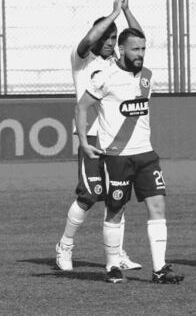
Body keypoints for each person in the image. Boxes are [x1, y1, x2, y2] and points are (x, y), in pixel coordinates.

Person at [75, 28, 184, 284]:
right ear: (122, 50)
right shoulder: (105, 77)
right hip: (117, 156)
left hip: (146, 154)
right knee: (115, 209)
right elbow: (81, 107)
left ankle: (160, 269)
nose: (141, 54)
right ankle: (113, 265)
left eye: (144, 49)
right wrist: (83, 141)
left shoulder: (147, 76)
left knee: (158, 206)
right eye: (135, 49)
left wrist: (127, 9)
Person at [56, 0, 142, 272]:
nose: (109, 42)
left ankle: (116, 255)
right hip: (90, 137)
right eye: (106, 37)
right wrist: (114, 13)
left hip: (116, 137)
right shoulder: (82, 61)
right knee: (89, 195)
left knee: (118, 196)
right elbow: (88, 39)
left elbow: (140, 40)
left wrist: (127, 13)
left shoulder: (118, 65)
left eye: (113, 38)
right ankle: (65, 246)